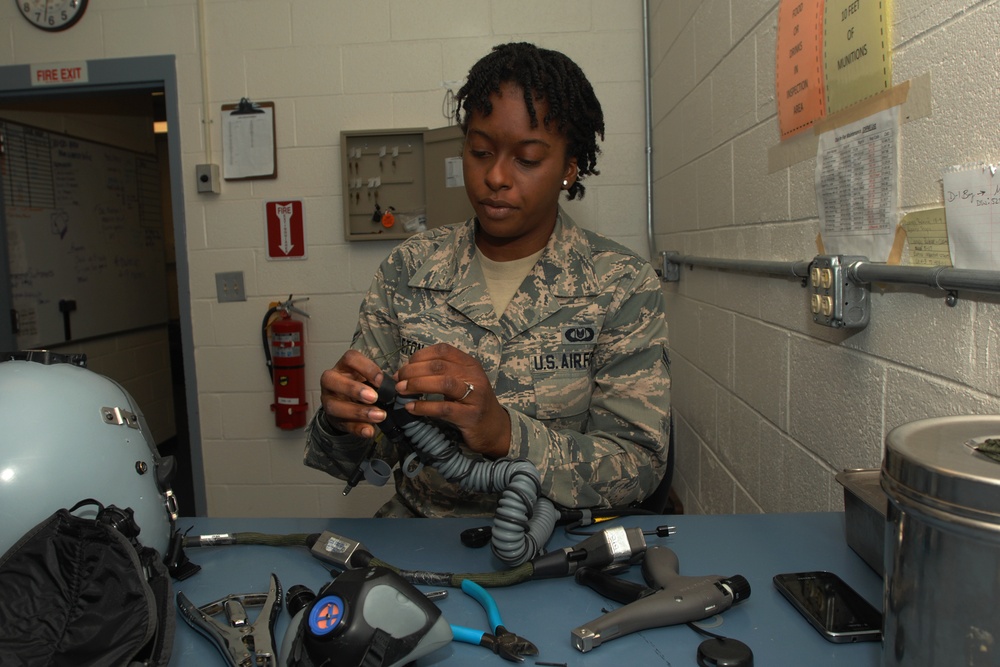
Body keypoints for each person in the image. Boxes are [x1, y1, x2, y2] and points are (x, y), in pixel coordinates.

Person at [305, 42, 671, 518]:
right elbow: (361, 459)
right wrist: (341, 421)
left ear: (569, 167)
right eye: (480, 152)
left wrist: (505, 434)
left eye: (527, 159)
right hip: (424, 542)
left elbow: (639, 467)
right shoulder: (408, 270)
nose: (495, 176)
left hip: (558, 551)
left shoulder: (620, 284)